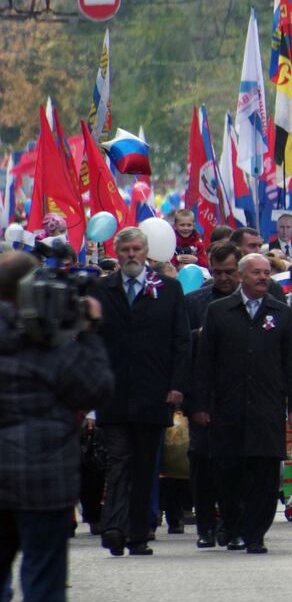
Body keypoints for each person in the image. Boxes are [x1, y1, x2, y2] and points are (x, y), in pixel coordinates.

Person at [0, 251, 113, 602]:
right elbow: (96, 387)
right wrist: (90, 331)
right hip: (43, 478)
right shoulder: (51, 343)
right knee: (44, 577)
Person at [189, 254, 292, 554]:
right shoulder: (218, 311)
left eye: (267, 272)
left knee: (265, 474)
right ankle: (233, 526)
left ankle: (256, 533)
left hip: (267, 406)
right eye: (256, 273)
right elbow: (204, 363)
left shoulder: (281, 313)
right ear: (241, 276)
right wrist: (200, 404)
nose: (264, 277)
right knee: (229, 472)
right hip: (228, 407)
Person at [92, 226, 191, 557]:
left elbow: (181, 341)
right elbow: (92, 341)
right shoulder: (102, 289)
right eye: (125, 250)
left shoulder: (169, 289)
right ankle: (115, 527)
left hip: (154, 392)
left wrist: (178, 385)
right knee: (119, 460)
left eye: (136, 249)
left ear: (146, 252)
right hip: (114, 391)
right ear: (117, 253)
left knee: (145, 465)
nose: (131, 255)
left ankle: (137, 533)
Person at [183, 241, 243, 547]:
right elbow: (181, 346)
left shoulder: (253, 299)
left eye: (229, 272)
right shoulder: (195, 302)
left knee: (234, 463)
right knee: (202, 461)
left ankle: (232, 524)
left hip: (240, 394)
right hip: (203, 394)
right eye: (217, 272)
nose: (223, 278)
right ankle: (205, 524)